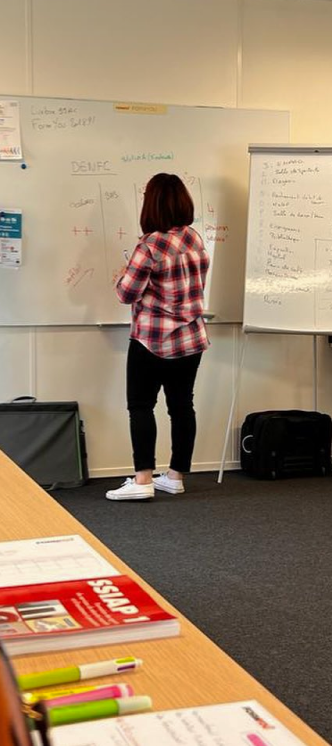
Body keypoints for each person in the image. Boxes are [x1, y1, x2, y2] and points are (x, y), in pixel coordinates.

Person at [106, 173, 210, 501]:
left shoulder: (149, 244)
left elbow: (127, 293)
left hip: (151, 339)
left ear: (151, 204)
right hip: (191, 338)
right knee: (182, 407)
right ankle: (176, 476)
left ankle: (143, 480)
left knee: (141, 406)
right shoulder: (194, 238)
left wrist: (120, 277)